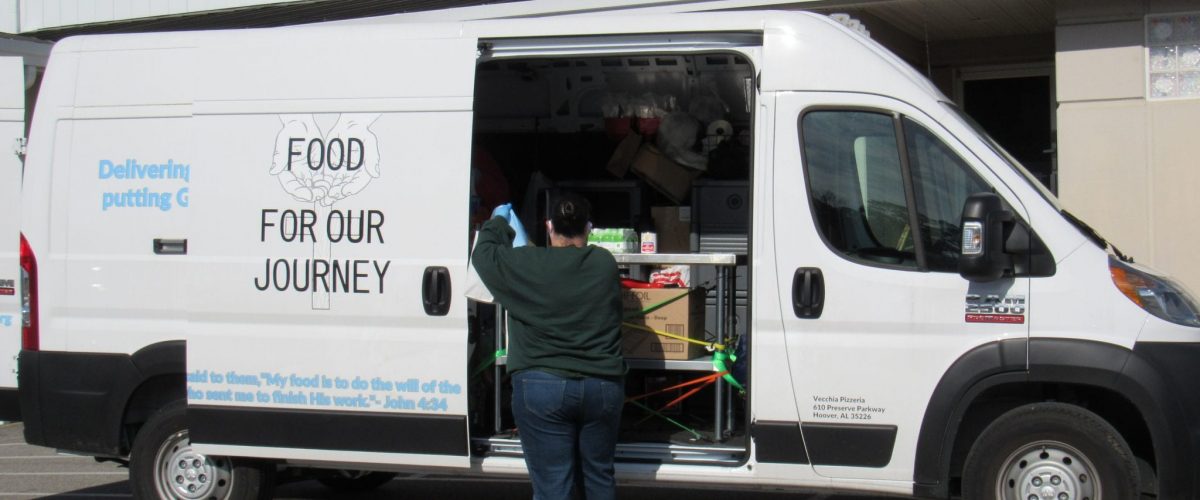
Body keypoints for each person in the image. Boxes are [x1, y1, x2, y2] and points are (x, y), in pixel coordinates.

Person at [471, 194, 625, 500]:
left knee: (554, 487)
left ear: (548, 226)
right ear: (589, 228)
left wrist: (499, 221)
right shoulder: (604, 263)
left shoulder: (524, 264)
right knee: (598, 478)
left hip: (541, 387)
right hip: (601, 386)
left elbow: (483, 255)